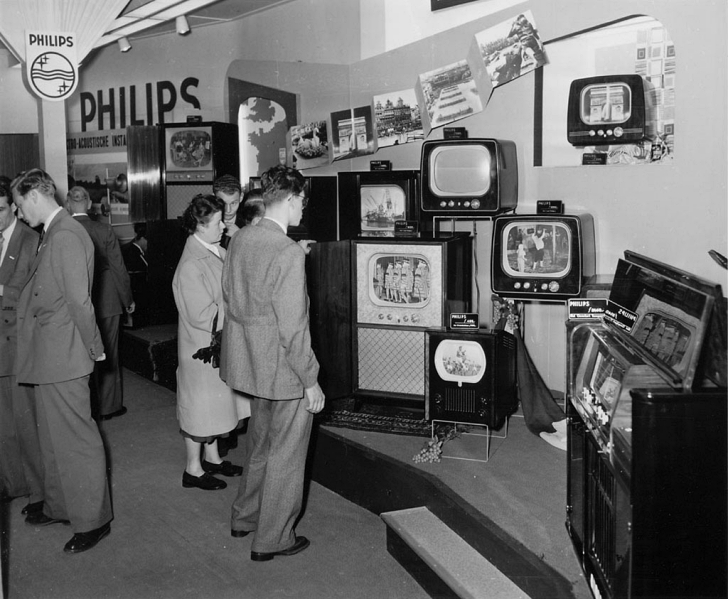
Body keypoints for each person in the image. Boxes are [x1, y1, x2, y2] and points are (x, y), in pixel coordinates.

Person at [221, 164, 325, 562]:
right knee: (287, 452)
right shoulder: (286, 251)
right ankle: (273, 538)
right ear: (293, 199)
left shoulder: (241, 238)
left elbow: (231, 299)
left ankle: (244, 516)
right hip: (283, 370)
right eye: (302, 203)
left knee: (259, 445)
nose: (302, 211)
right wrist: (310, 382)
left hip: (250, 364)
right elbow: (294, 330)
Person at [11, 168, 112, 554]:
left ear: (35, 195)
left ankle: (92, 520)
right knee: (53, 439)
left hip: (66, 353)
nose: (19, 214)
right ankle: (60, 505)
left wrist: (94, 347)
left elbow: (79, 302)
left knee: (76, 441)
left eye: (20, 205)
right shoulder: (53, 232)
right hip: (49, 353)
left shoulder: (67, 234)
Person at [172, 194, 249, 492]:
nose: (224, 228)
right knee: (199, 409)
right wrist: (238, 310)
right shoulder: (191, 264)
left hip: (219, 345)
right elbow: (202, 314)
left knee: (216, 407)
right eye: (219, 223)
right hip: (202, 348)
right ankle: (192, 469)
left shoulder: (215, 250)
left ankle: (213, 459)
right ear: (201, 226)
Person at [66, 186, 135, 420]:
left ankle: (84, 409)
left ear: (67, 204)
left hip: (73, 305)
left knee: (77, 354)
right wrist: (127, 300)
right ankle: (109, 406)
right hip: (107, 302)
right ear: (88, 205)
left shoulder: (61, 231)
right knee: (109, 355)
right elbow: (118, 268)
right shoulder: (103, 230)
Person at [0, 178, 44, 519]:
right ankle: (11, 483)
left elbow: (33, 296)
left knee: (25, 424)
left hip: (16, 346)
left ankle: (36, 490)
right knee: (4, 424)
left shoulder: (31, 240)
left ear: (13, 206)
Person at [212, 174, 242, 249]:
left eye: (233, 203)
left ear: (241, 198)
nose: (228, 210)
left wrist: (241, 237)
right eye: (223, 204)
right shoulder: (206, 224)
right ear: (214, 198)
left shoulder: (250, 224)